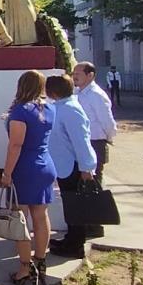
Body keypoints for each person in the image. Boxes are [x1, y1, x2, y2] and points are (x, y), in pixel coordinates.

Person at [2, 70, 56, 285]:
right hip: (45, 165)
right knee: (41, 215)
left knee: (20, 218)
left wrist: (6, 173)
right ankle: (40, 261)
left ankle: (25, 269)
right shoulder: (50, 109)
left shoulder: (20, 111)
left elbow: (16, 145)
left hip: (24, 168)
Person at [44, 74, 97, 260]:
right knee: (69, 204)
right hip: (64, 165)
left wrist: (87, 167)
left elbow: (81, 141)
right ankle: (71, 238)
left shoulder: (70, 109)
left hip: (74, 166)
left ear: (53, 91)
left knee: (76, 207)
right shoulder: (60, 107)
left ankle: (76, 245)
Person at [72, 61, 116, 238]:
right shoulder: (77, 93)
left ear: (90, 75)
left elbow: (107, 122)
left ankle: (96, 225)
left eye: (78, 73)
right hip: (81, 143)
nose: (74, 75)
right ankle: (86, 222)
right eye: (74, 72)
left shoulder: (96, 95)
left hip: (95, 142)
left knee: (94, 183)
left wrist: (108, 137)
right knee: (82, 185)